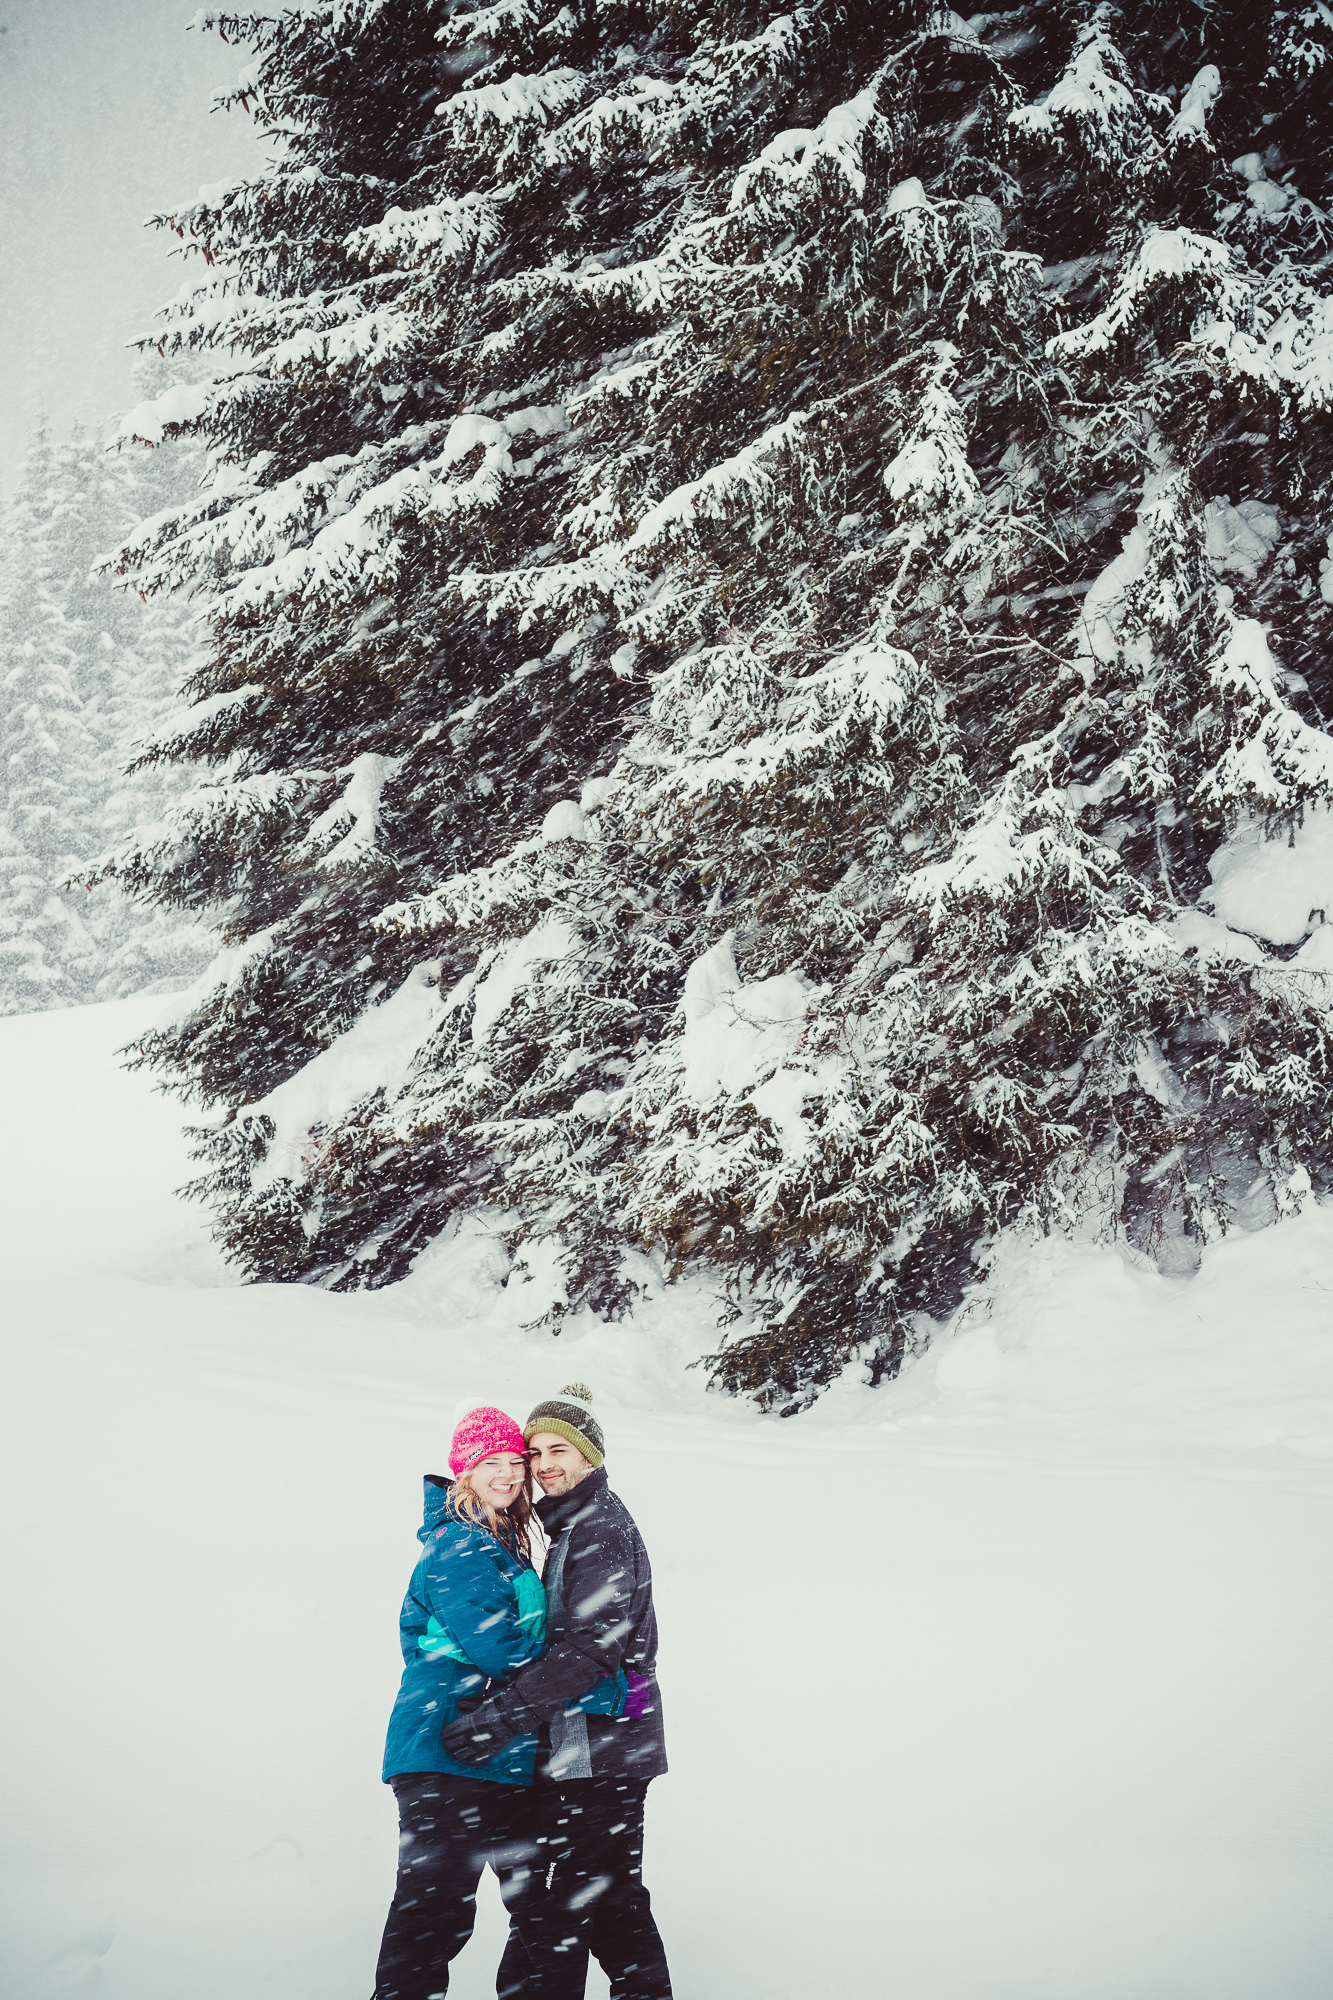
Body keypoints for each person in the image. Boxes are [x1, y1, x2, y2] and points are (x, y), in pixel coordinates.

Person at [373, 1404, 624, 2000]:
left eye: (517, 1461)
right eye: (492, 1462)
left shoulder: (498, 1542)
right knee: (435, 1914)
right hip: (443, 1750)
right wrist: (598, 1682)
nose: (510, 1474)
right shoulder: (459, 1544)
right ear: (465, 1470)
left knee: (542, 1914)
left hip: (498, 1751)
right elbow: (503, 1653)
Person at [442, 1384, 672, 2000]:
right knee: (612, 1902)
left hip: (601, 1751)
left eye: (559, 1450)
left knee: (559, 1910)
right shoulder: (578, 1527)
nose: (544, 1465)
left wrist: (501, 1718)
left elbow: (595, 1649)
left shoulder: (598, 1528)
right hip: (607, 1747)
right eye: (534, 1451)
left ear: (590, 1457)